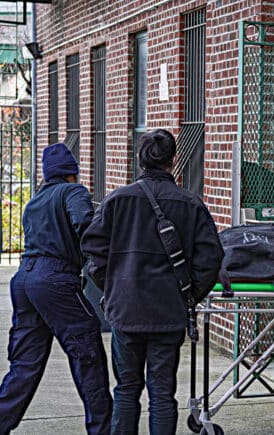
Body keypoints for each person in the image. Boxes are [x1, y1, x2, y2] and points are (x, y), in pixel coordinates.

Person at [81, 128, 224, 435]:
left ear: (139, 158)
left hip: (125, 310)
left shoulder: (117, 200)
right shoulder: (191, 204)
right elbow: (211, 258)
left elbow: (92, 251)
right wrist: (188, 295)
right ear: (174, 160)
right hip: (168, 312)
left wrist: (113, 287)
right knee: (162, 393)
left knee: (126, 389)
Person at [0, 143, 112, 435]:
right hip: (55, 279)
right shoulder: (74, 191)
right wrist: (104, 261)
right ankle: (103, 429)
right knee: (87, 352)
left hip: (24, 280)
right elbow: (85, 224)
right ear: (72, 173)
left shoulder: (33, 203)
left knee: (24, 366)